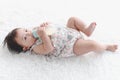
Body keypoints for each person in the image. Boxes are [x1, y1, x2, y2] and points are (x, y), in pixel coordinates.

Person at [3, 17, 118, 57]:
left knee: (72, 19)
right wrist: (43, 35)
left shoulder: (35, 31)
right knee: (92, 45)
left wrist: (45, 25)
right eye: (25, 38)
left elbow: (51, 28)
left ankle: (86, 30)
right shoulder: (35, 48)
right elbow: (49, 48)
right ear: (25, 48)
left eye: (26, 30)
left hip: (69, 32)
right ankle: (106, 46)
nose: (29, 33)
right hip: (71, 46)